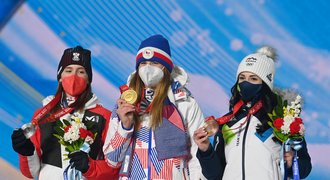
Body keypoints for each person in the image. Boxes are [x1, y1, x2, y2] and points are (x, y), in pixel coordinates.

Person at [193, 46, 312, 179]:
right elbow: (214, 175)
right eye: (242, 78)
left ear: (265, 84)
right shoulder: (228, 123)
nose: (246, 83)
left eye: (253, 79)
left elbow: (305, 167)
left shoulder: (283, 120)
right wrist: (205, 149)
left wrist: (292, 163)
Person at [103, 34, 205, 179]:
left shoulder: (184, 102)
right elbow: (112, 161)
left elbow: (197, 155)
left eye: (155, 63)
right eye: (143, 63)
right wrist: (125, 127)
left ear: (166, 68)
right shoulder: (125, 103)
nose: (148, 68)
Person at [11, 46, 119, 179]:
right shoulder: (42, 114)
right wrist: (26, 152)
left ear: (88, 79)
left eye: (81, 72)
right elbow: (31, 172)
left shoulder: (104, 117)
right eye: (68, 70)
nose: (74, 76)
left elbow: (114, 169)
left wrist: (89, 167)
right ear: (60, 77)